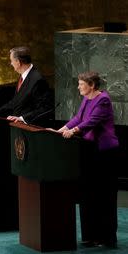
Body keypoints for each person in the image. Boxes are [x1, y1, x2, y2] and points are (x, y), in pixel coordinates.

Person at [57, 71, 119, 248]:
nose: (78, 87)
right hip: (89, 151)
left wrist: (73, 131)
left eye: (81, 84)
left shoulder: (103, 100)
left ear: (92, 85)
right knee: (88, 194)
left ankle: (106, 238)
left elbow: (91, 121)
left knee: (103, 195)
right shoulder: (87, 98)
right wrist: (61, 129)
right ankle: (91, 236)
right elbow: (78, 118)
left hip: (104, 154)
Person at [0, 46, 52, 125]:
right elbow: (15, 101)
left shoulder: (38, 80)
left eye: (11, 61)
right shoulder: (23, 76)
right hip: (18, 126)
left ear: (18, 62)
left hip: (31, 128)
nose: (11, 63)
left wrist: (23, 118)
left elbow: (45, 108)